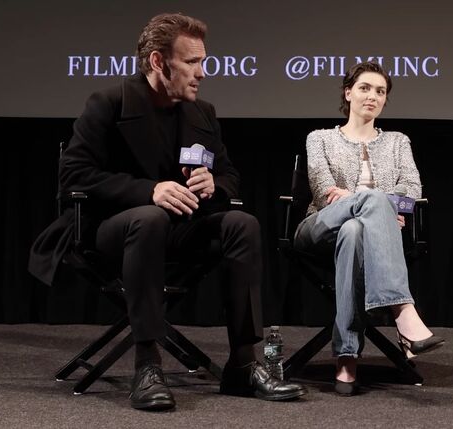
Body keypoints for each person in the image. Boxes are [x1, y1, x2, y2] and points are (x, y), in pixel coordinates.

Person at [28, 13, 306, 410]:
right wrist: (149, 190)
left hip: (179, 227)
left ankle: (244, 364)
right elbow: (73, 175)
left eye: (203, 62)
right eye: (192, 62)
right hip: (109, 228)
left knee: (241, 224)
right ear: (159, 61)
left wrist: (214, 184)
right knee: (150, 216)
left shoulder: (202, 112)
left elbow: (229, 176)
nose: (202, 73)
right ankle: (147, 366)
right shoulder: (110, 103)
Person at [294, 61, 445, 396]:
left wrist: (372, 209)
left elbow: (411, 188)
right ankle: (402, 311)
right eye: (364, 88)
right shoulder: (320, 138)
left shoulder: (397, 141)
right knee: (371, 202)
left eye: (380, 91)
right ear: (348, 93)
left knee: (354, 232)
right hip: (319, 227)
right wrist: (379, 206)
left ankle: (346, 358)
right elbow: (323, 190)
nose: (372, 96)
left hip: (363, 235)